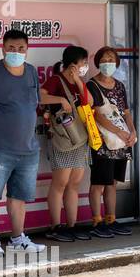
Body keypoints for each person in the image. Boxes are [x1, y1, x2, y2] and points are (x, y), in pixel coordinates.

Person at [0, 28, 61, 258]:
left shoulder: (31, 72)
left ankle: (18, 238)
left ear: (27, 50)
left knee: (19, 197)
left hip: (28, 148)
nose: (16, 52)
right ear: (2, 48)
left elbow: (34, 103)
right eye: (11, 48)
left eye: (21, 48)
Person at [42, 45, 92, 242]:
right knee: (60, 183)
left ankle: (72, 225)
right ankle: (55, 225)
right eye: (83, 63)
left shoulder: (79, 82)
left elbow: (89, 102)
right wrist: (60, 99)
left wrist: (79, 80)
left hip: (80, 138)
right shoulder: (56, 79)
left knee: (74, 183)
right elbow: (40, 96)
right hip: (63, 139)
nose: (85, 67)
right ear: (72, 64)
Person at [87, 46, 136, 238]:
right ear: (98, 62)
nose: (108, 63)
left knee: (112, 183)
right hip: (103, 142)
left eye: (111, 60)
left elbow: (126, 112)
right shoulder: (92, 85)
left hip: (120, 141)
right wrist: (119, 132)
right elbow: (97, 115)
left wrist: (132, 130)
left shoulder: (120, 85)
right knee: (98, 183)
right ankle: (96, 221)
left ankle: (111, 219)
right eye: (104, 59)